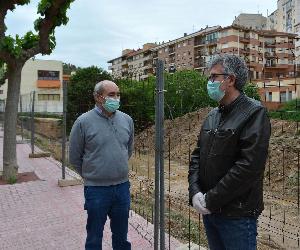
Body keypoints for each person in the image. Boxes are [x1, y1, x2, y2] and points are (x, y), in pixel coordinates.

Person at [188, 54, 271, 250]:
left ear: (230, 79)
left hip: (237, 215)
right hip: (210, 211)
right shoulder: (212, 116)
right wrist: (195, 192)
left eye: (214, 77)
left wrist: (210, 199)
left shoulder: (254, 113)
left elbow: (249, 166)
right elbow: (197, 156)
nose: (209, 82)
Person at [69, 80, 134, 250]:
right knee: (94, 236)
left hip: (122, 188)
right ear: (98, 97)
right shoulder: (83, 122)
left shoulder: (127, 120)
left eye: (118, 94)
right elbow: (74, 157)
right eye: (111, 95)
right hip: (96, 190)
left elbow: (128, 149)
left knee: (121, 236)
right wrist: (93, 174)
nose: (116, 98)